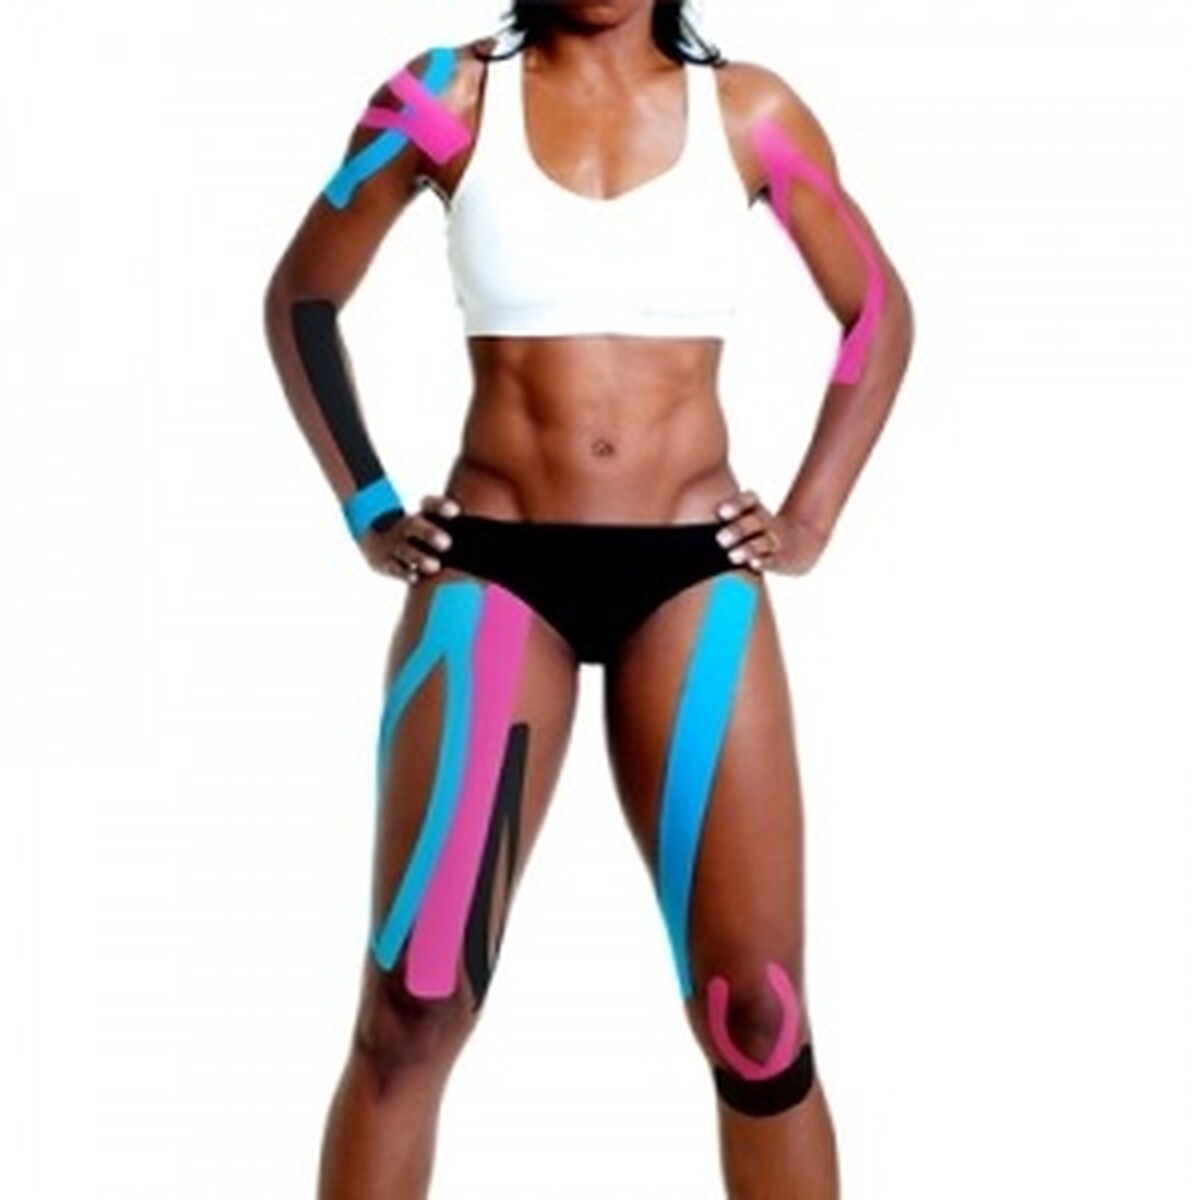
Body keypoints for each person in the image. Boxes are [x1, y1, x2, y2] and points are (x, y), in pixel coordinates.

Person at [264, 1, 912, 1195]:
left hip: (691, 578)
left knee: (757, 1021)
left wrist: (810, 516)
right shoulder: (445, 96)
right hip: (494, 573)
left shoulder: (750, 111)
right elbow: (302, 296)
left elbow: (875, 307)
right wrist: (368, 505)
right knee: (411, 1009)